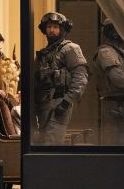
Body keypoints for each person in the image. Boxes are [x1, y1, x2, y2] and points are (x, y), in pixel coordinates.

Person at [34, 12, 89, 145]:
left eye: (55, 27)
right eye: (48, 27)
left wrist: (66, 102)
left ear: (62, 29)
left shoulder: (70, 48)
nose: (51, 30)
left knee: (51, 143)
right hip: (42, 105)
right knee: (43, 144)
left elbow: (81, 76)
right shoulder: (43, 53)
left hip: (58, 102)